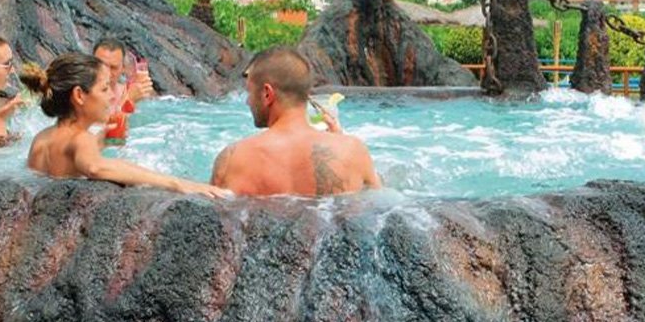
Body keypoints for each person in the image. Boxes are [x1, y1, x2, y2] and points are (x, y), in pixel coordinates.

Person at [22, 52, 227, 198]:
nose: (112, 96)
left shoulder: (43, 137)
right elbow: (95, 167)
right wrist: (178, 184)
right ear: (79, 95)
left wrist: (100, 140)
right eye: (104, 89)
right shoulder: (80, 139)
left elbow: (67, 161)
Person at [211, 46, 381, 197]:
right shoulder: (353, 152)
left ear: (267, 94)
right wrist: (339, 137)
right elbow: (378, 201)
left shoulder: (233, 159)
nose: (248, 101)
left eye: (250, 92)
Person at [91, 37, 155, 144]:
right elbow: (108, 137)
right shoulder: (82, 95)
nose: (106, 72)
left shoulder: (129, 90)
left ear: (123, 68)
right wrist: (128, 102)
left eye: (113, 67)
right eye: (101, 65)